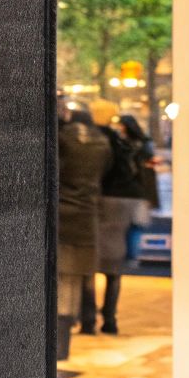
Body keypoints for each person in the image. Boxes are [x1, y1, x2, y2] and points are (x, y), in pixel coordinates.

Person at [57, 99, 111, 359]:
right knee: (78, 277)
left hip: (61, 214)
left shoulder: (61, 138)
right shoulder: (102, 144)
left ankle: (58, 344)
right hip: (87, 215)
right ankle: (83, 324)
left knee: (60, 278)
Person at [90, 105, 149, 335]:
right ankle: (109, 317)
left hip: (109, 200)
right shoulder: (140, 145)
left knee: (93, 264)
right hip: (132, 199)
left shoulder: (108, 145)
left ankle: (90, 317)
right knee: (115, 266)